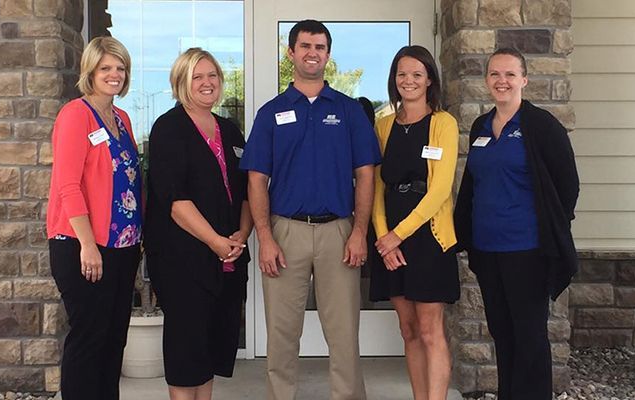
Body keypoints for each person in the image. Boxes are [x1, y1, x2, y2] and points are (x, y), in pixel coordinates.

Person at [240, 19, 381, 400]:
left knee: (343, 334)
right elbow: (256, 180)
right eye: (305, 46)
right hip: (285, 232)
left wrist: (358, 232)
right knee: (282, 335)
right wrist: (265, 238)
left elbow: (366, 175)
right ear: (291, 53)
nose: (312, 53)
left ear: (328, 55)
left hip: (339, 231)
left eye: (320, 47)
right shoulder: (272, 113)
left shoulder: (349, 111)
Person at [454, 48, 580, 400]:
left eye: (510, 74)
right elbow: (473, 184)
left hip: (527, 250)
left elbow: (568, 185)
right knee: (502, 333)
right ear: (486, 80)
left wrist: (552, 227)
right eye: (495, 74)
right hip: (487, 249)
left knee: (530, 338)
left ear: (524, 79)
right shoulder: (480, 126)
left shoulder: (541, 126)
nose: (502, 81)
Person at [144, 48, 252, 400]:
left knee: (210, 347)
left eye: (212, 76)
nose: (207, 83)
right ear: (181, 83)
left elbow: (248, 190)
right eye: (197, 76)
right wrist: (216, 242)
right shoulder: (168, 129)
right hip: (183, 259)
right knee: (186, 350)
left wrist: (242, 234)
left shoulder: (230, 130)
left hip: (228, 256)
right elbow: (175, 202)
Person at [47, 36, 142, 400]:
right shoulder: (75, 114)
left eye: (120, 68)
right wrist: (88, 244)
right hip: (83, 246)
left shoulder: (123, 118)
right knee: (88, 341)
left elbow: (128, 180)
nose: (114, 74)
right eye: (106, 68)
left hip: (122, 247)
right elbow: (68, 186)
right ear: (91, 71)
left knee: (112, 341)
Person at [369, 45, 459, 400]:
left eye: (417, 74)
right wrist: (383, 238)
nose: (409, 80)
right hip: (390, 240)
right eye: (402, 74)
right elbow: (376, 188)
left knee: (429, 329)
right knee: (407, 330)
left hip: (428, 239)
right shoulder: (384, 125)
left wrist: (397, 235)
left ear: (429, 80)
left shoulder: (443, 123)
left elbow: (439, 191)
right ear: (394, 79)